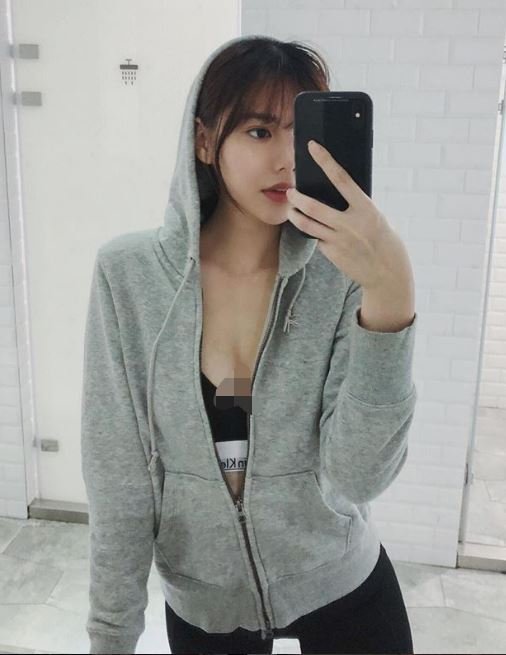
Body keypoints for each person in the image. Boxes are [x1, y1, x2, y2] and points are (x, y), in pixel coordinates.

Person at [81, 34, 417, 655]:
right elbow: (119, 479)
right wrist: (111, 635)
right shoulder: (128, 278)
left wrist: (390, 300)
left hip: (340, 581)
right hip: (207, 601)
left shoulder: (341, 273)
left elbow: (359, 474)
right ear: (205, 141)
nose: (288, 159)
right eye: (260, 131)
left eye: (300, 132)